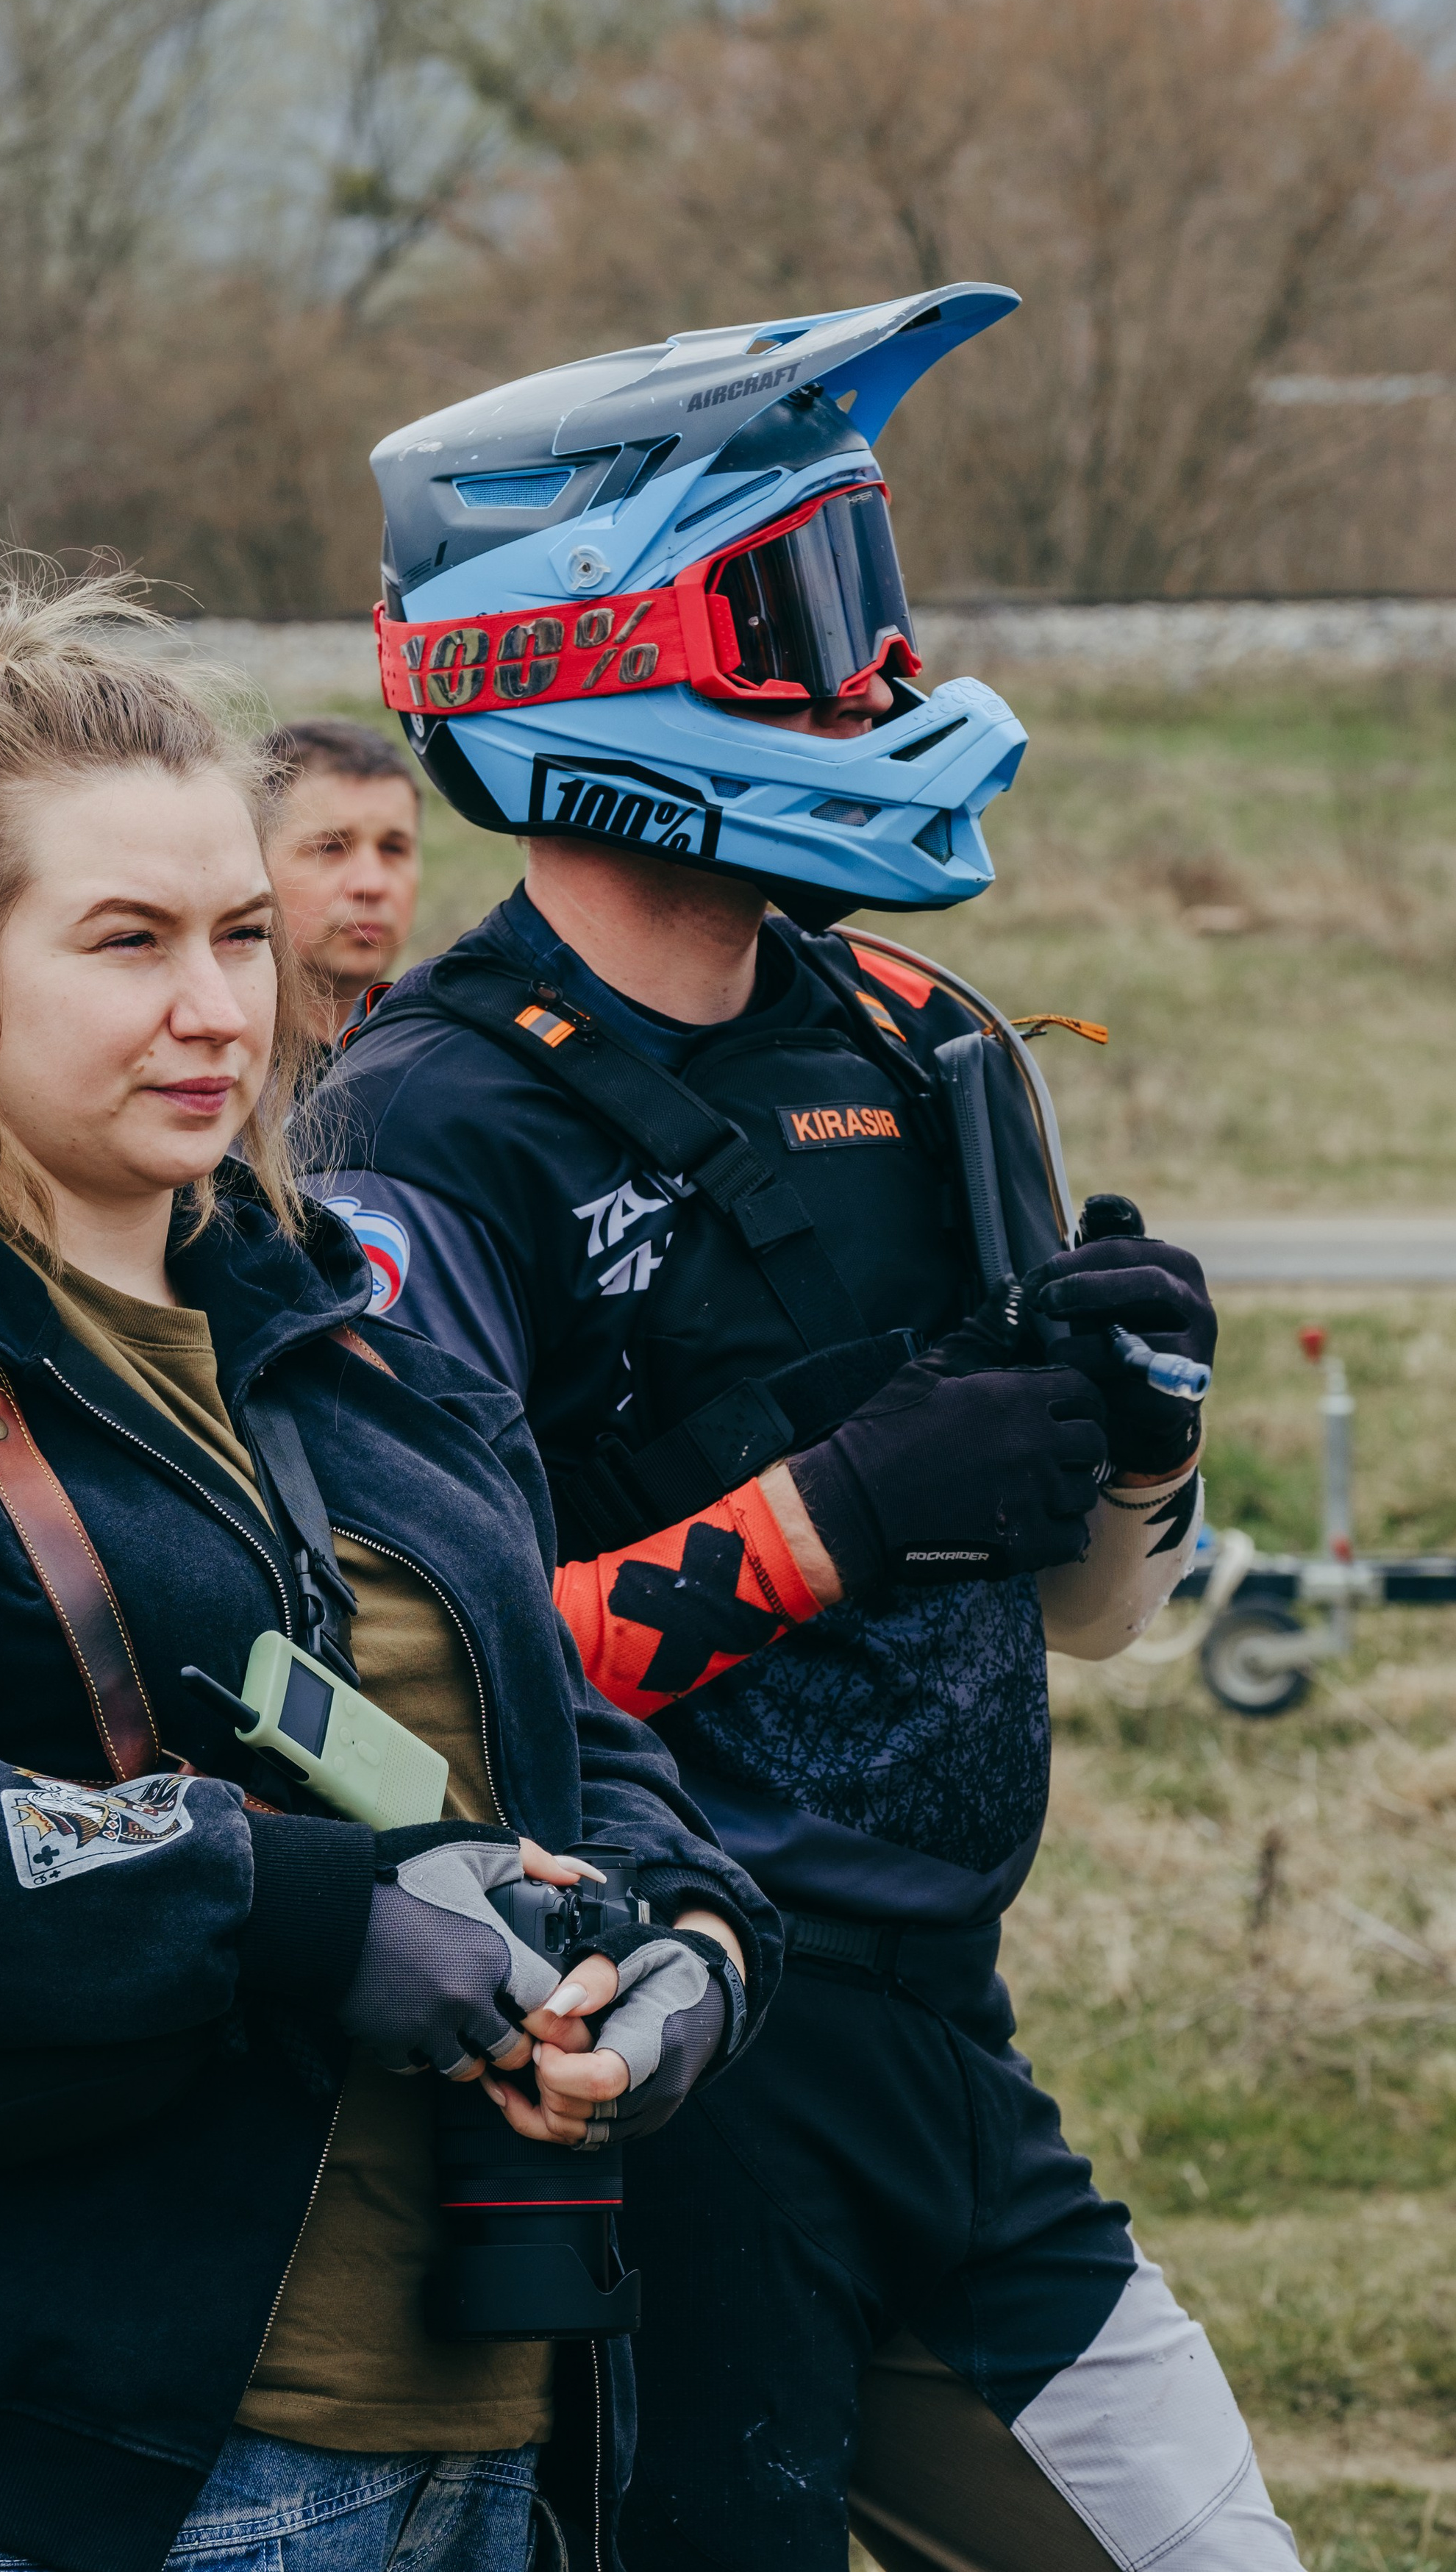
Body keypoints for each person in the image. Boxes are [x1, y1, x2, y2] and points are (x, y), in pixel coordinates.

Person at [0, 546, 779, 2572]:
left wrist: (687, 1946)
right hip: (20, 2460)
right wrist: (303, 1909)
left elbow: (555, 1726)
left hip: (469, 2438)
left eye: (240, 934)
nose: (218, 1008)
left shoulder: (343, 1332)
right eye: (128, 942)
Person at [317, 289, 1302, 2570]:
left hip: (950, 2049)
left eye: (875, 599)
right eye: (807, 612)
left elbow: (1087, 1624)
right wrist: (831, 1514)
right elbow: (426, 1690)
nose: (880, 674)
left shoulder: (927, 1043)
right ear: (585, 656)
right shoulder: (423, 1128)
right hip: (657, 2066)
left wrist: (1143, 1443)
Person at [263, 717, 423, 1044]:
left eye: (393, 849)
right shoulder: (214, 1062)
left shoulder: (442, 1056)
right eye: (330, 848)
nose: (372, 885)